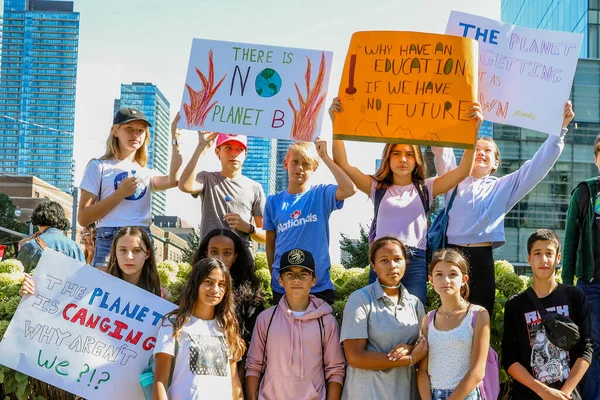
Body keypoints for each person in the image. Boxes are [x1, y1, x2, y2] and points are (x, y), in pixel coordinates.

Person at [329, 97, 479, 304]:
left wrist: (474, 131)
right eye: (397, 153)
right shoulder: (377, 187)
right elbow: (344, 163)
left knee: (414, 316)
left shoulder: (426, 188)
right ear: (388, 159)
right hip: (382, 259)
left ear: (416, 160)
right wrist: (335, 123)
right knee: (378, 313)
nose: (402, 159)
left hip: (415, 260)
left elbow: (463, 171)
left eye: (409, 154)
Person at [433, 101, 575, 316]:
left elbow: (536, 167)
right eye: (476, 149)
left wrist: (559, 130)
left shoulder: (502, 187)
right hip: (453, 255)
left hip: (482, 258)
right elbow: (441, 150)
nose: (481, 153)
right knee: (450, 315)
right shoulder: (453, 179)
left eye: (487, 151)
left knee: (481, 316)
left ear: (495, 163)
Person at [78, 108, 183, 268]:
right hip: (109, 237)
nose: (135, 135)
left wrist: (175, 138)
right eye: (129, 129)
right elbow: (83, 217)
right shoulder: (98, 166)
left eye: (140, 131)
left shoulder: (146, 172)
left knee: (140, 290)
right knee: (105, 289)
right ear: (115, 131)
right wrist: (120, 194)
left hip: (141, 237)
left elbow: (174, 180)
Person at [502, 229, 593, 400]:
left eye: (549, 253)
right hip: (528, 394)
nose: (543, 259)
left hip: (567, 394)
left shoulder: (574, 297)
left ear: (558, 258)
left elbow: (586, 349)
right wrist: (543, 391)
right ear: (529, 258)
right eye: (537, 253)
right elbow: (509, 359)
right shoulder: (515, 304)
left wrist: (564, 393)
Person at [245, 248, 346, 400]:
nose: (296, 280)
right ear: (280, 280)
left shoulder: (326, 321)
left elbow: (336, 370)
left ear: (313, 280)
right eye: (289, 274)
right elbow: (254, 365)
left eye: (303, 275)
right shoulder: (266, 319)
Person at [264, 139, 356, 305]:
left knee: (319, 330)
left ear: (314, 168)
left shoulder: (321, 194)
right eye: (295, 162)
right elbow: (270, 242)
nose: (299, 168)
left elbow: (349, 189)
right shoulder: (273, 202)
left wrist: (325, 156)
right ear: (285, 164)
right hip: (284, 285)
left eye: (306, 164)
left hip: (318, 285)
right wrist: (274, 275)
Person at [340, 236, 427, 400]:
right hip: (366, 393)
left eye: (397, 259)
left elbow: (422, 346)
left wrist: (410, 348)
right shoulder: (360, 299)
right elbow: (355, 357)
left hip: (404, 393)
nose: (392, 266)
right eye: (384, 260)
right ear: (374, 266)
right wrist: (409, 359)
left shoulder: (415, 304)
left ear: (405, 263)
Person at [153, 258, 245, 400]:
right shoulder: (174, 325)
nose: (215, 289)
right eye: (208, 282)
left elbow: (234, 383)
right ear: (196, 284)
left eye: (222, 284)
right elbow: (160, 381)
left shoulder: (227, 327)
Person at [20, 226, 171, 301]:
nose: (129, 257)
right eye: (123, 250)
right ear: (114, 253)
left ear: (148, 253)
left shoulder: (161, 297)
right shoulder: (93, 288)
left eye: (137, 251)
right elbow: (58, 306)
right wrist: (32, 293)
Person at [192, 228, 264, 385]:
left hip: (235, 377)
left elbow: (252, 348)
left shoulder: (250, 296)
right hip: (197, 376)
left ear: (235, 257)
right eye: (214, 252)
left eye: (227, 253)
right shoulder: (194, 289)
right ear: (206, 253)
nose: (220, 258)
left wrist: (238, 385)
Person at [417, 248, 490, 400]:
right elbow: (422, 370)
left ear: (464, 279)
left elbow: (478, 371)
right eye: (439, 274)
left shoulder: (478, 314)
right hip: (433, 395)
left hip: (467, 395)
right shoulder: (428, 319)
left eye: (453, 274)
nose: (446, 280)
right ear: (431, 279)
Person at [178, 132, 266, 252]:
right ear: (217, 152)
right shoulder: (206, 178)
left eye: (239, 149)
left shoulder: (255, 188)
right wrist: (200, 149)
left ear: (245, 154)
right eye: (228, 148)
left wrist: (248, 228)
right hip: (210, 255)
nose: (234, 153)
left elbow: (266, 235)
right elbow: (185, 186)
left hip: (241, 258)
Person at [562, 133, 600, 399]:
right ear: (597, 159)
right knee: (592, 347)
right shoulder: (585, 191)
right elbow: (570, 242)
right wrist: (566, 286)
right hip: (592, 284)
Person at [17, 200, 84, 273]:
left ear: (38, 219)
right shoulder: (75, 247)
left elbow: (18, 277)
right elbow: (82, 277)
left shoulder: (31, 246)